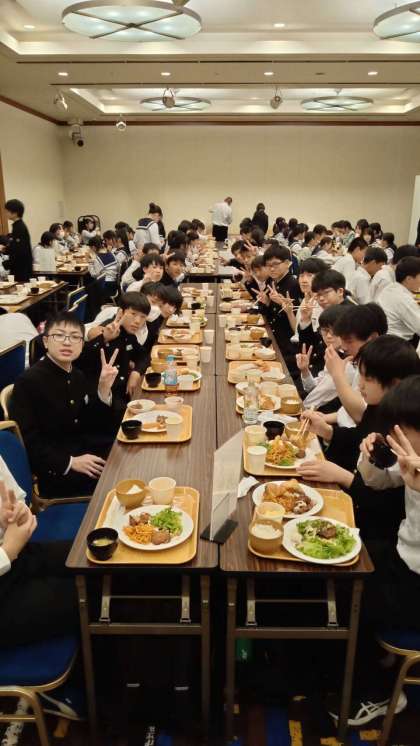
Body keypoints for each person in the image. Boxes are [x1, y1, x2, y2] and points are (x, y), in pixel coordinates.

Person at [10, 311, 119, 497]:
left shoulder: (76, 375)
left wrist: (103, 389)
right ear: (46, 341)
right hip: (58, 472)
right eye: (59, 335)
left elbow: (89, 423)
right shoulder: (28, 382)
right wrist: (70, 462)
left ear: (82, 345)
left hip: (84, 455)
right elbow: (28, 442)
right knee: (122, 483)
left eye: (75, 337)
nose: (67, 342)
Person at [0, 470, 78, 648]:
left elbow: (17, 499)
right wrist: (8, 552)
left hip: (15, 556)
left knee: (93, 558)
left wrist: (14, 515)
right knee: (86, 593)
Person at [80, 292, 152, 413]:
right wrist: (104, 338)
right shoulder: (105, 330)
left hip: (122, 396)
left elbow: (144, 356)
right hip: (100, 403)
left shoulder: (129, 335)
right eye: (133, 314)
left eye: (143, 317)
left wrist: (136, 373)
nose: (138, 321)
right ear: (121, 312)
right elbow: (81, 360)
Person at [321, 302, 388, 428]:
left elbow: (361, 415)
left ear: (372, 338)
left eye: (349, 341)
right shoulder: (361, 358)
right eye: (342, 340)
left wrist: (337, 374)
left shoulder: (382, 365)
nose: (343, 347)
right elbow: (351, 407)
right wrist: (325, 418)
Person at [296, 304, 355, 412]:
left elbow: (315, 400)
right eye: (325, 330)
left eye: (335, 331)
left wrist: (297, 407)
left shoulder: (347, 364)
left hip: (322, 416)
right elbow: (315, 388)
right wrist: (305, 370)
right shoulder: (333, 353)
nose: (328, 336)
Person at [298, 269, 355, 374]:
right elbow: (312, 344)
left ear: (340, 291)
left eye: (326, 293)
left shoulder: (350, 315)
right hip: (313, 368)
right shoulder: (328, 309)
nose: (321, 299)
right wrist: (306, 320)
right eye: (318, 295)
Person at [257, 245, 301, 371]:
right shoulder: (272, 281)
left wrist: (279, 304)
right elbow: (268, 314)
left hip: (286, 345)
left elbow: (294, 325)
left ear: (287, 263)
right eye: (268, 265)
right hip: (272, 336)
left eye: (275, 264)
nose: (271, 268)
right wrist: (267, 302)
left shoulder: (293, 285)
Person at [377, 255, 420, 342]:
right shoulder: (405, 300)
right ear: (409, 279)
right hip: (396, 344)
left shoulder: (390, 287)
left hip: (383, 338)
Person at [3, 199, 32, 282]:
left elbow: (20, 250)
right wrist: (6, 249)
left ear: (15, 213)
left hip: (21, 268)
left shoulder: (19, 227)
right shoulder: (17, 226)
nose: (5, 213)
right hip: (20, 266)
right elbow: (15, 246)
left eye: (7, 211)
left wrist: (8, 263)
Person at [88, 235, 119, 300]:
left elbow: (94, 275)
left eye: (90, 248)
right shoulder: (111, 254)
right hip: (115, 283)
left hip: (106, 286)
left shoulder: (98, 259)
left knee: (88, 285)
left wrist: (90, 262)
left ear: (93, 247)